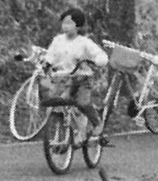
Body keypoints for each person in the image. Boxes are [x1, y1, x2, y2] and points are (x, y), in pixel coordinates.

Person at [42, 8, 109, 142]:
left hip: (81, 79)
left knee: (82, 103)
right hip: (62, 79)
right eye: (64, 23)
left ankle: (97, 122)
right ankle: (65, 132)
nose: (65, 26)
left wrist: (97, 60)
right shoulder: (57, 40)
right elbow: (50, 56)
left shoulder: (84, 42)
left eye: (69, 23)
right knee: (53, 100)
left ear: (78, 25)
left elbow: (100, 55)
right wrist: (46, 65)